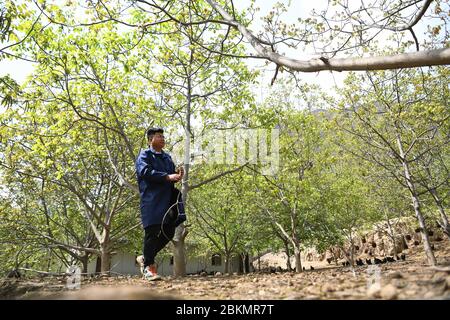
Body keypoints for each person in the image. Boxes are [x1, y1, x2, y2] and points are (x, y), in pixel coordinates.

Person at [135, 127, 186, 281]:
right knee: (152, 231)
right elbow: (145, 172)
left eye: (163, 136)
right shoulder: (144, 155)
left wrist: (178, 175)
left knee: (168, 231)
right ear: (150, 140)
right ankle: (149, 268)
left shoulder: (167, 157)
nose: (163, 139)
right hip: (151, 200)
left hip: (167, 200)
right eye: (159, 136)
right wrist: (167, 177)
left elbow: (172, 176)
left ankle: (144, 257)